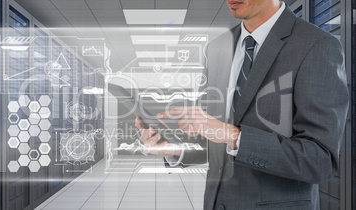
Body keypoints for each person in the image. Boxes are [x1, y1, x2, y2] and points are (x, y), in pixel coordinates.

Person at [135, 0, 348, 209]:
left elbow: (320, 160)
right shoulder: (217, 48)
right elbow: (215, 138)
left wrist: (234, 135)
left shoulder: (316, 45)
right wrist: (173, 150)